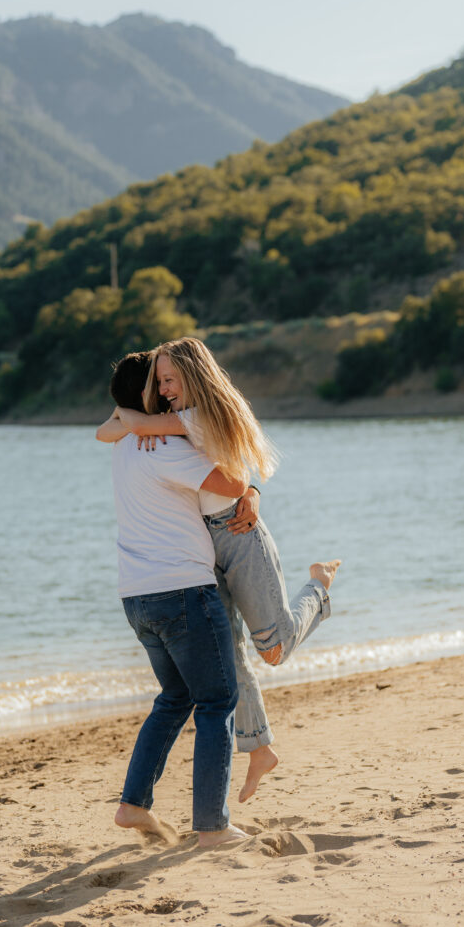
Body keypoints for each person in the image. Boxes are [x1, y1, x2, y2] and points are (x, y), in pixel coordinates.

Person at [97, 336, 340, 803]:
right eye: (159, 381)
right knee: (228, 655)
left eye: (170, 379)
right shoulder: (170, 424)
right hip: (203, 542)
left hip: (238, 533)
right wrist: (136, 426)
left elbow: (118, 426)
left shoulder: (193, 417)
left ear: (193, 374)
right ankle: (260, 749)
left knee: (274, 648)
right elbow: (111, 431)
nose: (165, 388)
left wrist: (135, 423)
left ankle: (320, 586)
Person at [103, 350, 250, 848]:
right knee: (216, 702)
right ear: (145, 396)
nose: (166, 393)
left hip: (136, 597)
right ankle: (212, 826)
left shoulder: (125, 446)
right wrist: (249, 486)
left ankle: (132, 804)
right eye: (158, 385)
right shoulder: (163, 443)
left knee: (174, 699)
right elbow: (231, 485)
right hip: (183, 591)